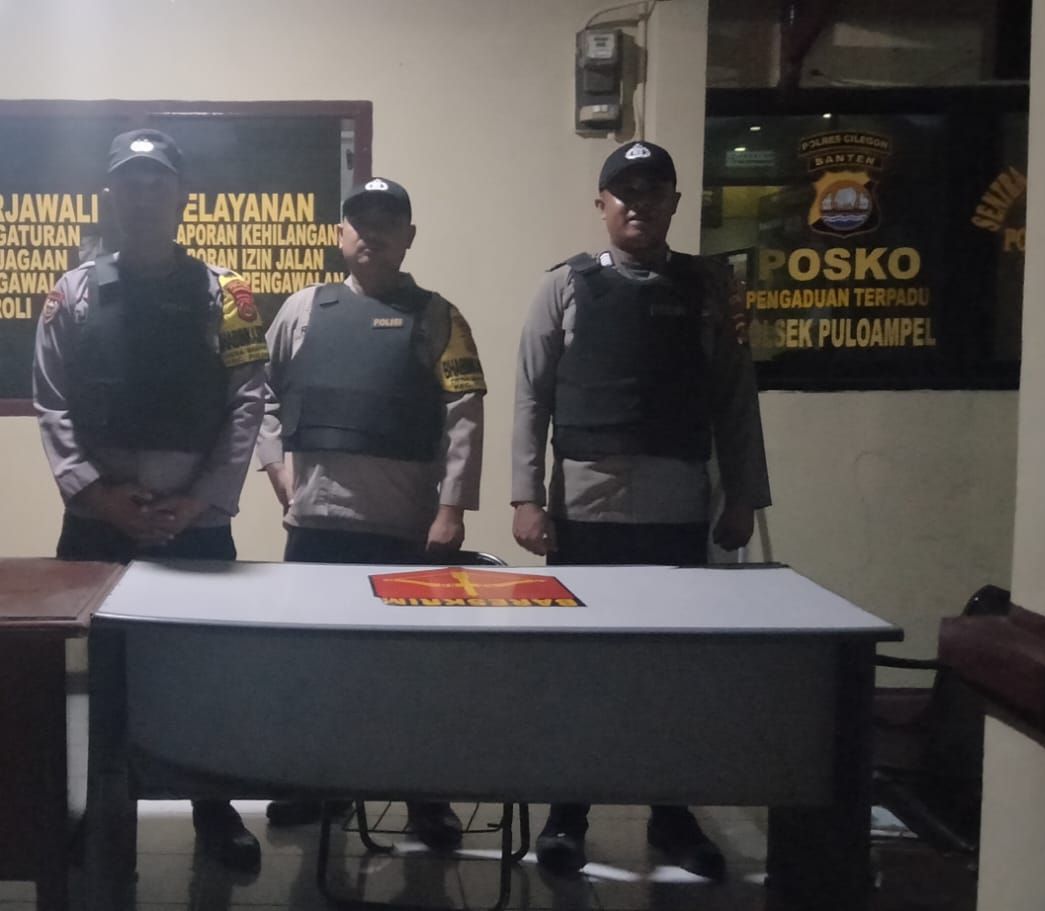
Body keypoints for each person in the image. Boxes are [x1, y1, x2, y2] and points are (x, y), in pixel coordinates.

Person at [510, 140, 772, 880]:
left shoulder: (710, 288)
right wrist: (525, 496)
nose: (639, 204)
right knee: (581, 671)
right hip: (584, 512)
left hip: (676, 510)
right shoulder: (564, 286)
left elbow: (735, 397)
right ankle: (567, 815)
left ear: (674, 204)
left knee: (671, 674)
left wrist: (744, 496)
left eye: (654, 191)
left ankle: (672, 813)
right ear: (602, 204)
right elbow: (531, 395)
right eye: (624, 192)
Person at [32, 129, 268, 873]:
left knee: (201, 672)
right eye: (130, 184)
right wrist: (97, 495)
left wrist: (201, 500)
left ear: (181, 196)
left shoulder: (228, 292)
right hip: (99, 519)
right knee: (102, 675)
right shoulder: (71, 291)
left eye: (157, 183)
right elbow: (53, 404)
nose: (143, 197)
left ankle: (214, 809)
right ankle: (101, 811)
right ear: (111, 195)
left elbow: (249, 400)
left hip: (194, 519)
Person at [256, 177, 486, 852]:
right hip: (316, 527)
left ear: (409, 236)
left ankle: (425, 799)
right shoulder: (302, 309)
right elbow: (259, 394)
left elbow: (464, 414)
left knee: (411, 676)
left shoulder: (440, 316)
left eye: (389, 221)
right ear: (340, 234)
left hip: (404, 529)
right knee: (314, 669)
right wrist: (276, 468)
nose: (373, 233)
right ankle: (316, 784)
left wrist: (452, 508)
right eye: (360, 221)